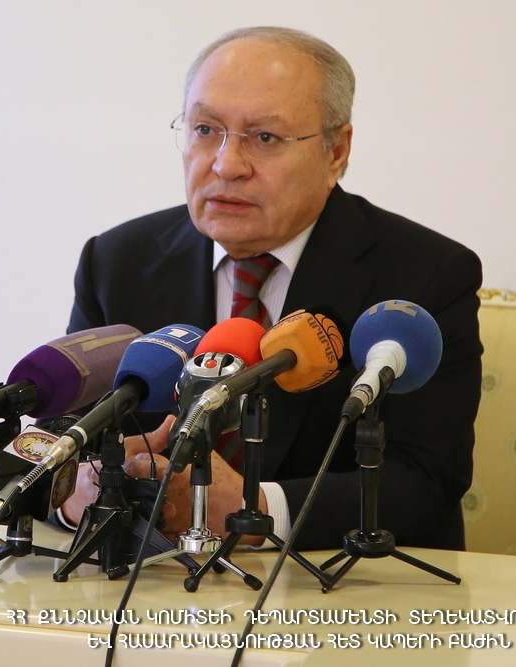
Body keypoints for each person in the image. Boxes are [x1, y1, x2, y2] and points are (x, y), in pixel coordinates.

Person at [56, 26, 483, 552]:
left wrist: (255, 510)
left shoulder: (426, 274)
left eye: (265, 138)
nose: (226, 165)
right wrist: (74, 491)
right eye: (205, 129)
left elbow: (426, 479)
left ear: (336, 151)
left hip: (340, 585)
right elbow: (59, 439)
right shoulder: (118, 261)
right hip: (150, 580)